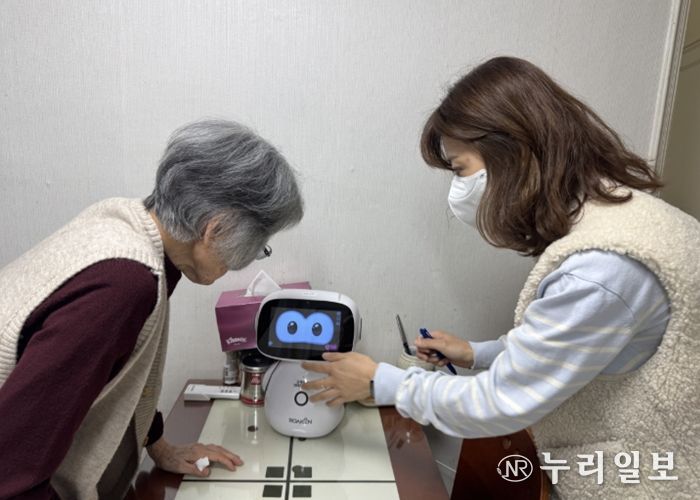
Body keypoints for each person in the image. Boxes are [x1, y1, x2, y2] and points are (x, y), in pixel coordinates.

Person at [302, 57, 699, 498]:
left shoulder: (601, 270)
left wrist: (382, 382)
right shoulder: (628, 220)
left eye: (460, 168)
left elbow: (502, 401)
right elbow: (577, 348)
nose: (458, 189)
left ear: (514, 151)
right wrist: (477, 353)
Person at [0, 119, 304, 499]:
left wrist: (159, 446)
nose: (244, 261)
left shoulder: (127, 224)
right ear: (216, 229)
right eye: (256, 247)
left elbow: (121, 369)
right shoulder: (122, 284)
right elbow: (12, 475)